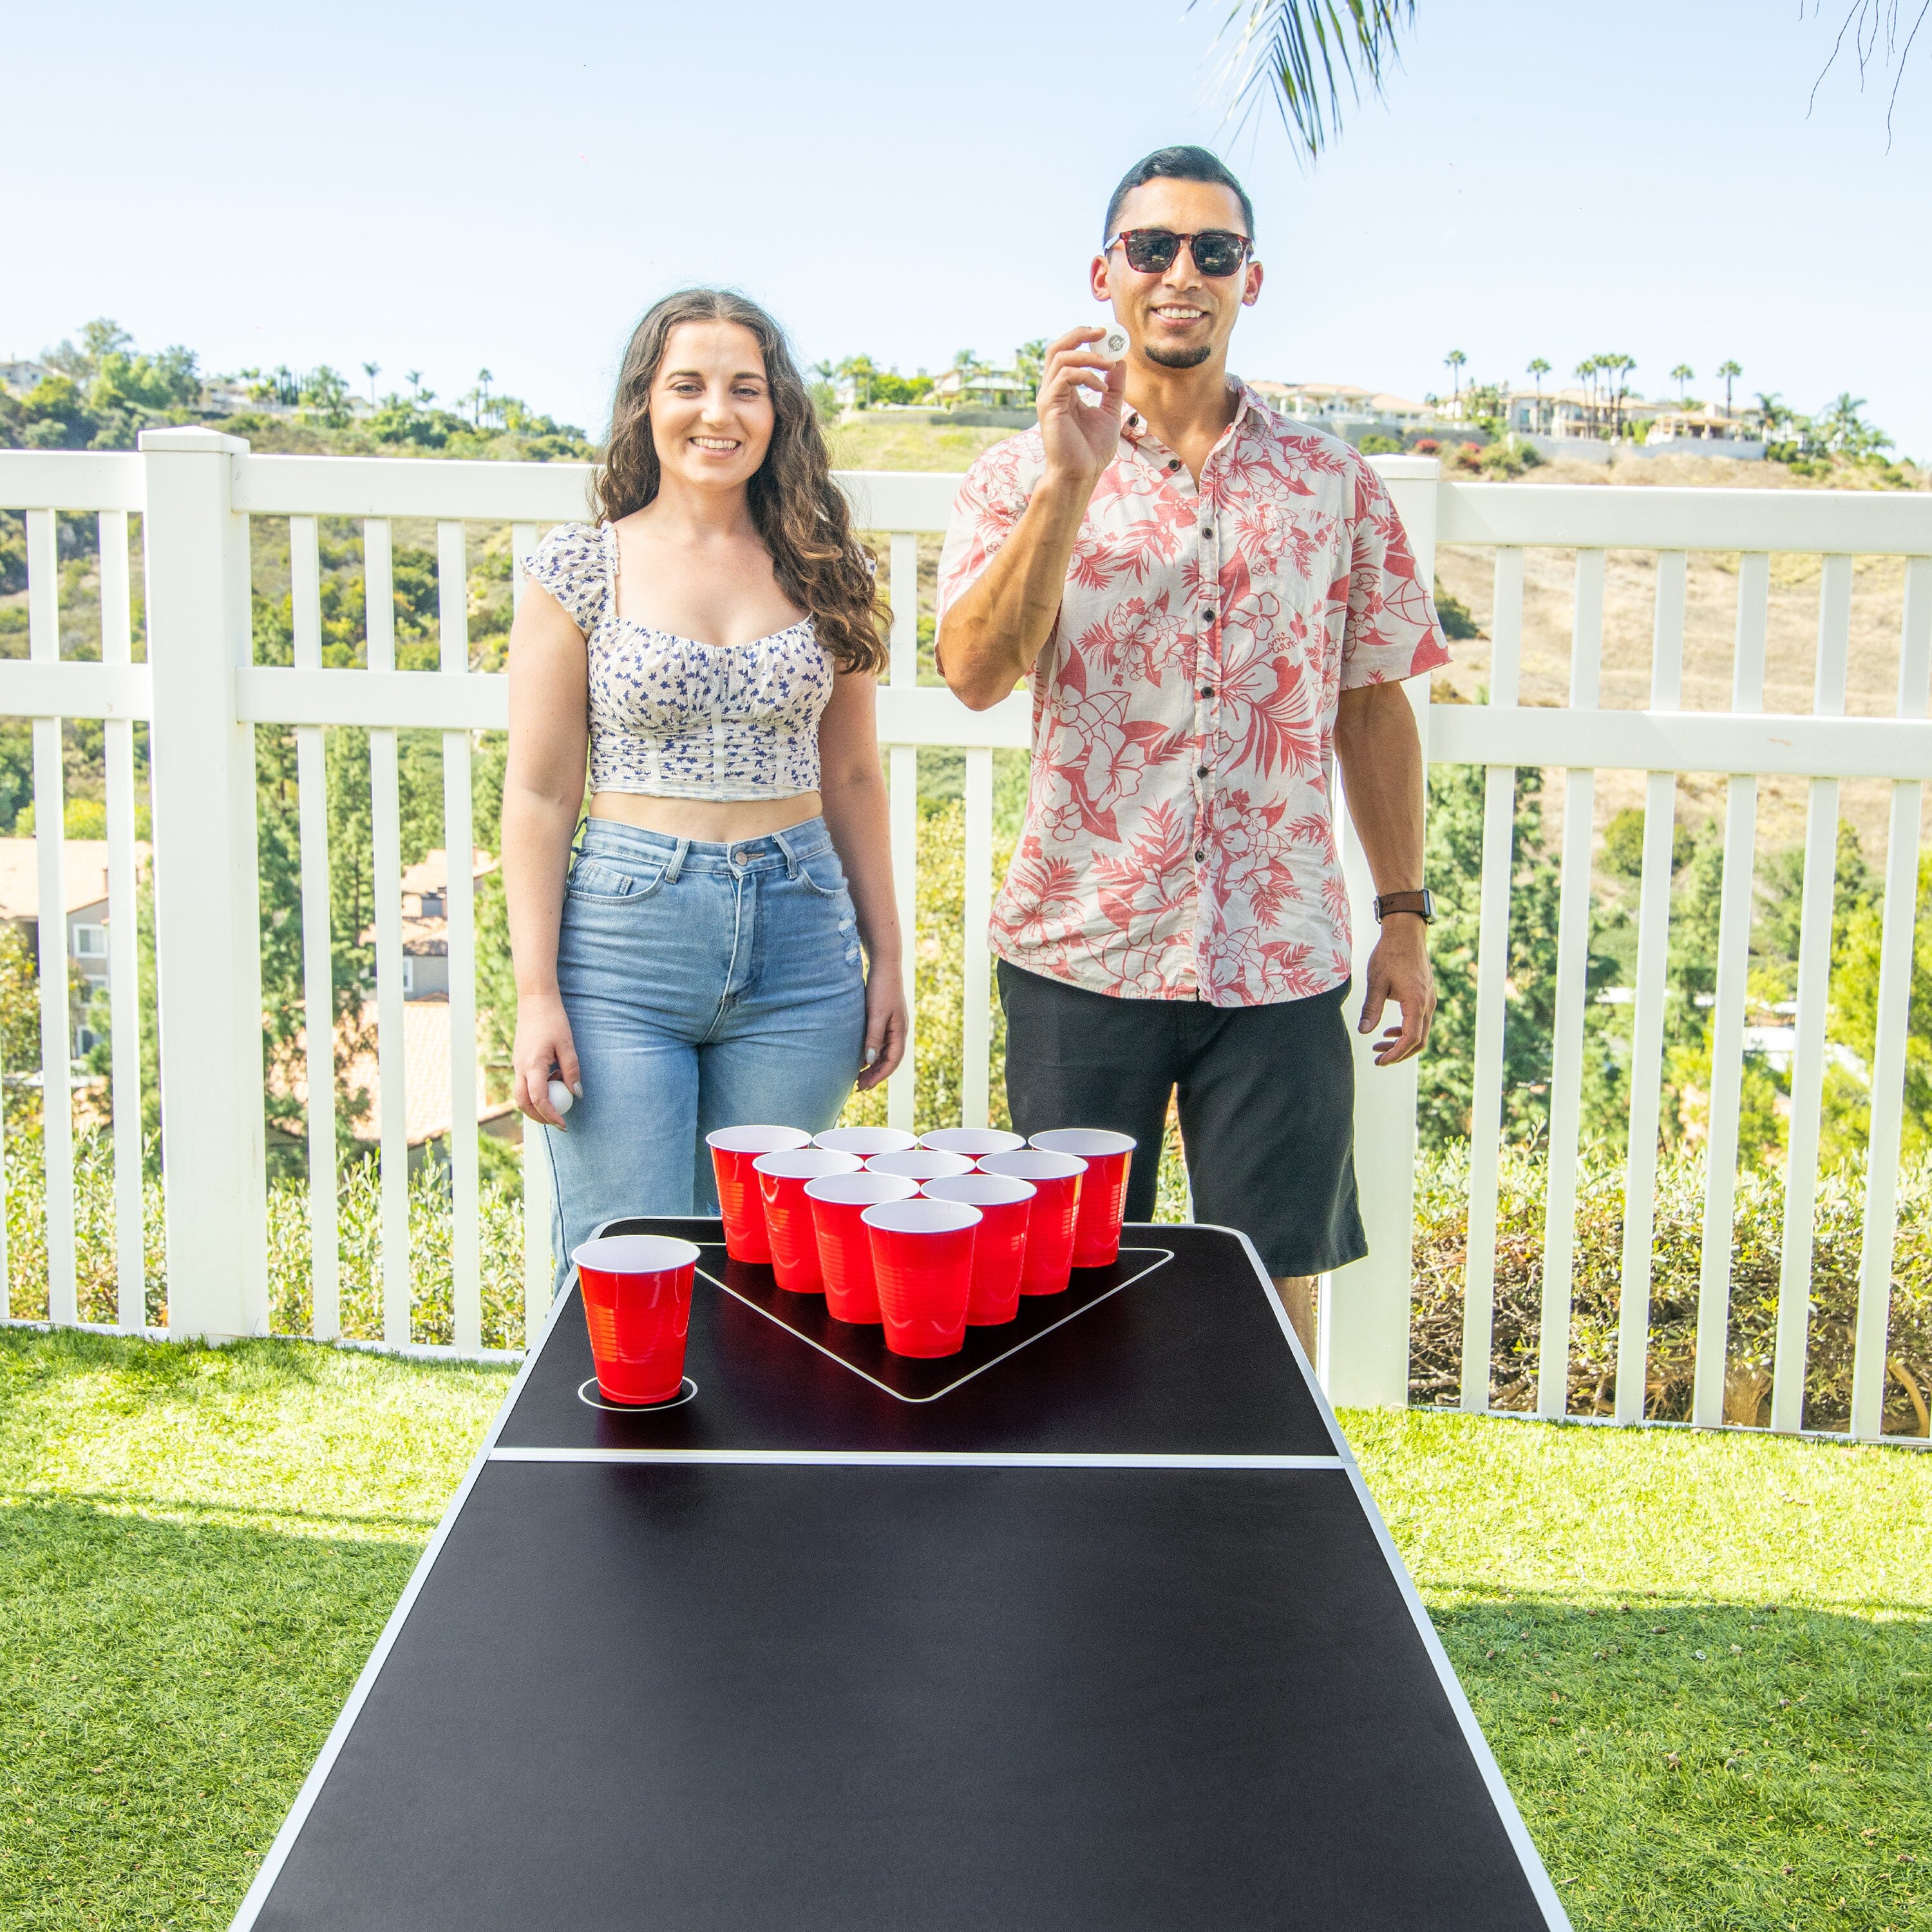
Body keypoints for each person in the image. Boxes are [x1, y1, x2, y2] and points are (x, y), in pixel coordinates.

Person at [935, 147, 1446, 1354]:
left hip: (1277, 956)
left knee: (1273, 1297)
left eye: (1212, 251)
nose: (1182, 274)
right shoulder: (1017, 474)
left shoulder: (1330, 481)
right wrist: (1071, 478)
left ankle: (1271, 1531)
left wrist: (1406, 920)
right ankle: (1071, 1533)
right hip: (1083, 945)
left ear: (1250, 280)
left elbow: (1373, 706)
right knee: (1065, 1290)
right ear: (1104, 273)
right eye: (1153, 248)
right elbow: (973, 674)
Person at [503, 288, 905, 1278]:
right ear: (647, 401)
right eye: (688, 385)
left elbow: (852, 776)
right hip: (624, 952)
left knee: (765, 1269)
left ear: (780, 414)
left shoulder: (826, 569)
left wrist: (888, 956)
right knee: (620, 1262)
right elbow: (541, 794)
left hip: (802, 947)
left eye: (746, 390)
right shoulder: (580, 568)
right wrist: (534, 994)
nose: (717, 414)